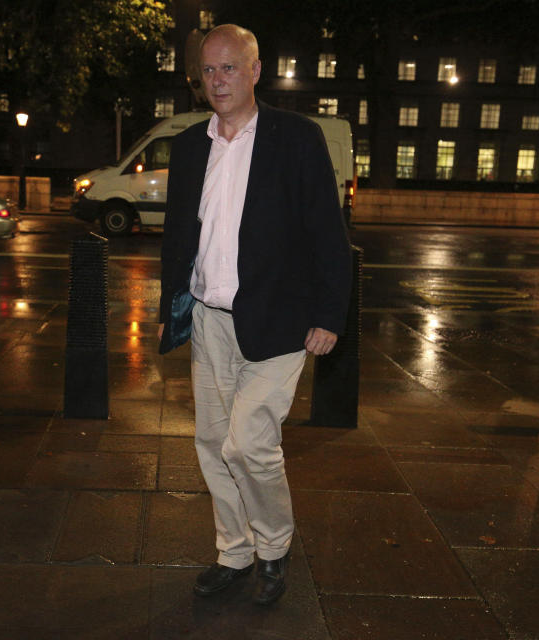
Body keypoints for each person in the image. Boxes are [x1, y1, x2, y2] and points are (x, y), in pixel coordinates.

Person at [158, 24, 352, 606]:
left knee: (249, 444)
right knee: (213, 442)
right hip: (210, 319)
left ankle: (273, 547)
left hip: (280, 321)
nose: (218, 81)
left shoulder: (295, 138)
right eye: (209, 71)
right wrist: (172, 304)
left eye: (229, 68)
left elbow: (327, 231)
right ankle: (234, 552)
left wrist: (330, 313)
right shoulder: (191, 145)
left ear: (255, 71)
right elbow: (178, 235)